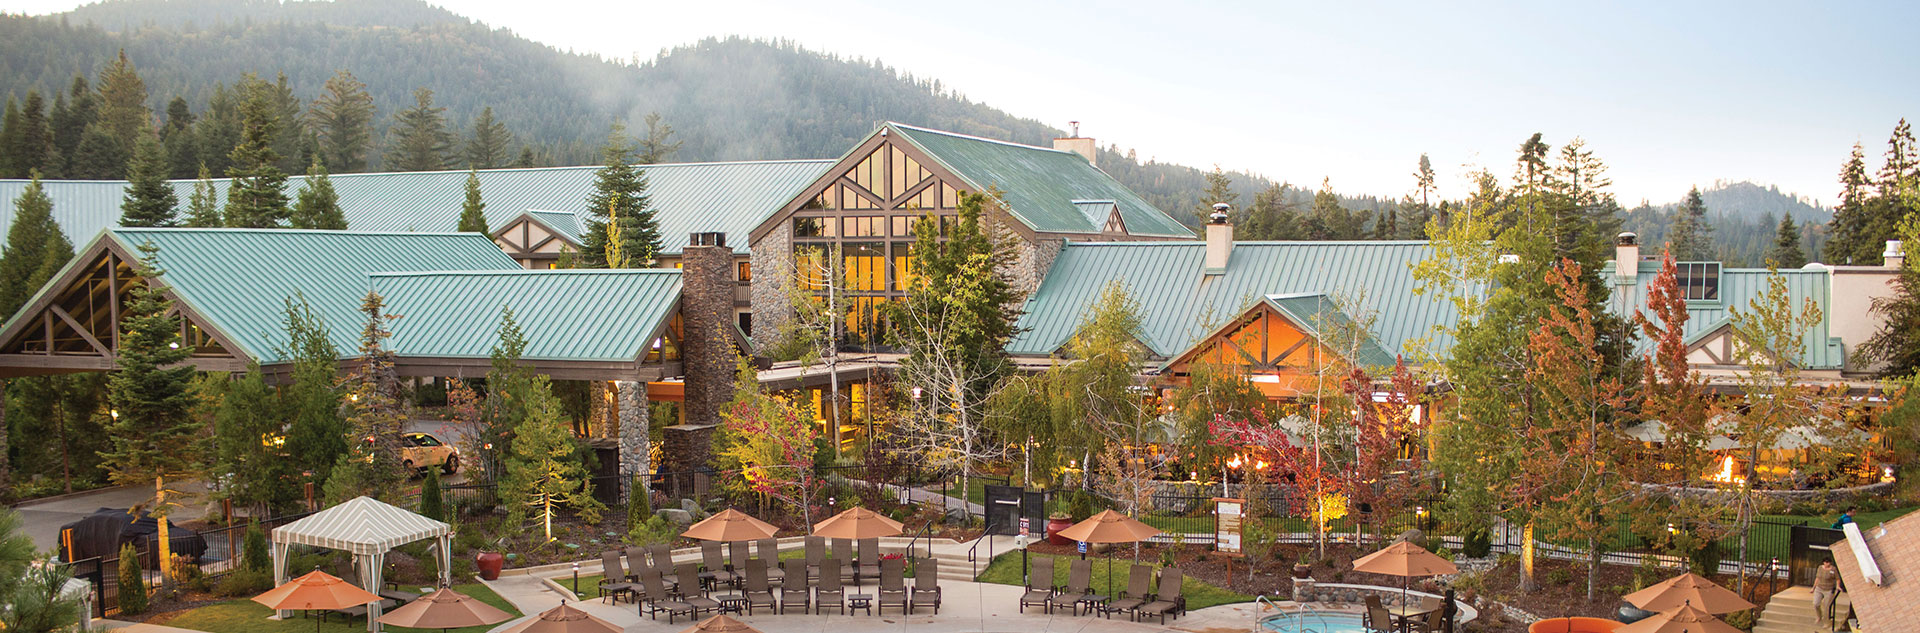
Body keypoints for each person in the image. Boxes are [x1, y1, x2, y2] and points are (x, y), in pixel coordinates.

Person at [1812, 559, 1839, 630]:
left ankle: (1827, 622)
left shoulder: (1833, 569)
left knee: (1826, 606)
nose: (1827, 564)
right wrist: (1813, 588)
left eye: (1828, 562)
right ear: (1823, 562)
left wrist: (1838, 586)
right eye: (1826, 562)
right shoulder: (1820, 568)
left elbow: (1837, 578)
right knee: (1816, 603)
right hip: (1819, 588)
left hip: (1829, 589)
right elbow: (1817, 578)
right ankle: (1819, 616)